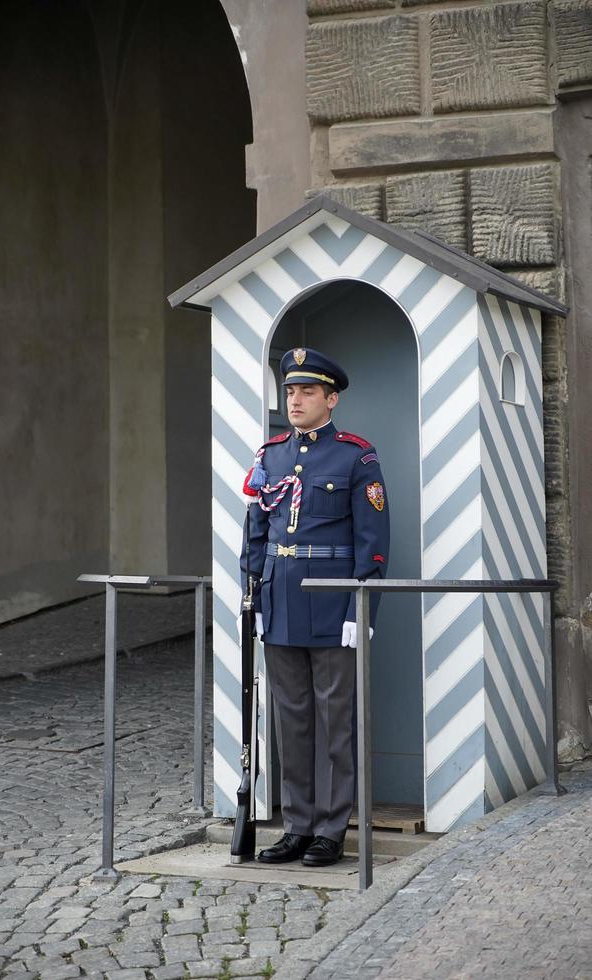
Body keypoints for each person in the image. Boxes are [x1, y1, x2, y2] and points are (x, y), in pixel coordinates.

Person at [239, 347, 389, 867]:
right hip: (280, 600)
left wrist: (359, 611)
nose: (295, 400)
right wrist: (253, 593)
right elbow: (257, 531)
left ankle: (331, 828)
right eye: (290, 391)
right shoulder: (271, 455)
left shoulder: (356, 456)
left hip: (332, 604)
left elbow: (373, 541)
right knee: (293, 719)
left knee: (335, 723)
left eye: (306, 391)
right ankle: (297, 826)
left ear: (332, 398)